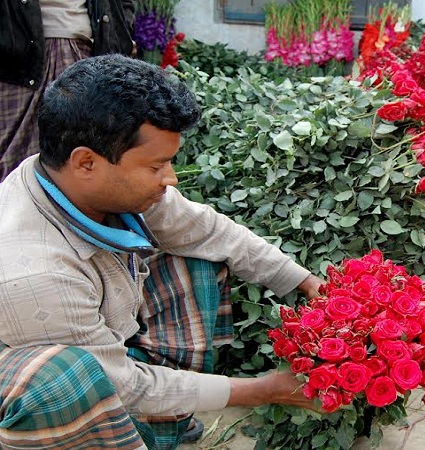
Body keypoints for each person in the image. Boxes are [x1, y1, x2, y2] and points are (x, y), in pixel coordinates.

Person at [0, 54, 324, 449]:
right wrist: (263, 390)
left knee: (199, 256)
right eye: (156, 166)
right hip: (59, 380)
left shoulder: (92, 182)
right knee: (62, 380)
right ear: (86, 161)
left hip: (108, 331)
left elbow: (210, 231)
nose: (169, 178)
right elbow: (121, 384)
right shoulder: (32, 271)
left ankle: (166, 421)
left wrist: (308, 283)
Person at [0, 0, 137, 181]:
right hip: (14, 54)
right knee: (12, 159)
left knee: (79, 158)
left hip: (83, 48)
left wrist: (120, 30)